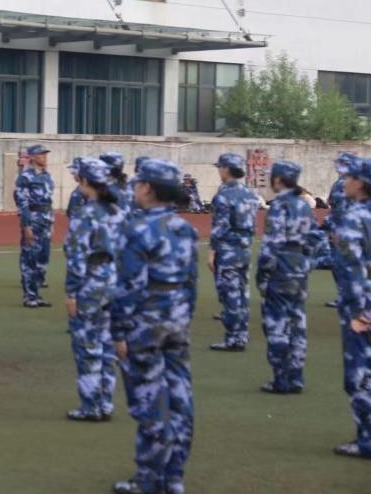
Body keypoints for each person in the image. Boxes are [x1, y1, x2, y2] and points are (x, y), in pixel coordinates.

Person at [111, 159, 198, 494]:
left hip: (145, 322)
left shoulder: (135, 229)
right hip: (177, 319)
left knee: (149, 402)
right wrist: (184, 316)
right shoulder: (185, 228)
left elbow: (129, 286)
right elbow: (191, 281)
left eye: (138, 184)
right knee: (180, 399)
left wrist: (119, 331)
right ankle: (173, 477)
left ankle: (149, 480)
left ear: (147, 188)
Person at [64, 158, 119, 423]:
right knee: (108, 346)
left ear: (85, 181)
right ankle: (105, 402)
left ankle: (90, 405)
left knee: (87, 346)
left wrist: (71, 292)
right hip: (114, 281)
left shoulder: (86, 214)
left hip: (91, 284)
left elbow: (76, 257)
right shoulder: (117, 211)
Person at [257, 161, 318, 394]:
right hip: (299, 269)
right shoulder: (304, 205)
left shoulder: (280, 206)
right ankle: (296, 377)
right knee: (297, 325)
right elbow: (315, 239)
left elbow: (271, 245)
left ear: (278, 179)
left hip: (280, 269)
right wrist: (306, 263)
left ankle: (281, 379)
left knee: (277, 325)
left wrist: (262, 276)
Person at [330, 156, 371, 460]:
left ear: (360, 183)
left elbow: (350, 266)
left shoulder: (355, 217)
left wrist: (358, 312)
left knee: (360, 374)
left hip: (363, 304)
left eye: (349, 177)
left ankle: (367, 440)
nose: (345, 181)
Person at [208, 153, 258, 352]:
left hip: (227, 249)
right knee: (242, 294)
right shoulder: (249, 194)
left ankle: (234, 338)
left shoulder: (223, 195)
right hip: (244, 248)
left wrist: (212, 251)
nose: (219, 171)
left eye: (220, 167)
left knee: (229, 295)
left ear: (226, 169)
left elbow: (220, 226)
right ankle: (241, 335)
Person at [14, 144, 54, 308]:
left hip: (46, 220)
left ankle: (36, 294)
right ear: (31, 157)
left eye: (45, 154)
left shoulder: (46, 175)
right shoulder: (25, 177)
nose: (44, 157)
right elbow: (22, 203)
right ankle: (29, 296)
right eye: (41, 154)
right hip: (33, 219)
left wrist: (51, 222)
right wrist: (27, 226)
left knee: (43, 258)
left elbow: (49, 201)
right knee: (29, 257)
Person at [325, 152, 358, 307]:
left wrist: (335, 229)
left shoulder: (344, 183)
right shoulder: (357, 182)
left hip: (343, 229)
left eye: (341, 163)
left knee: (341, 264)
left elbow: (340, 209)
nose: (337, 166)